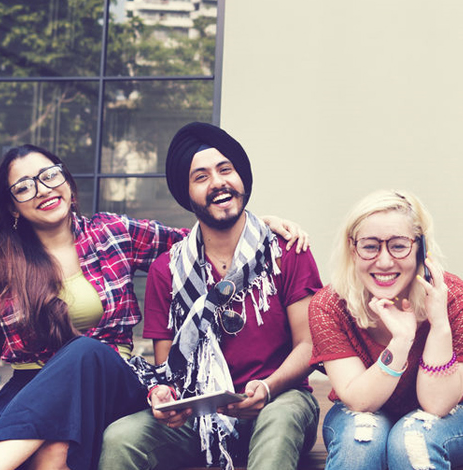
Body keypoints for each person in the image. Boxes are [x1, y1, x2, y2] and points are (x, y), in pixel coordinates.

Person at [0, 144, 305, 470]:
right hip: (29, 392)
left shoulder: (112, 234)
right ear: (11, 206)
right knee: (53, 452)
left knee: (84, 351)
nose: (43, 190)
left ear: (67, 182)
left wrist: (257, 226)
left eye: (50, 175)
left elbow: (200, 239)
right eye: (25, 187)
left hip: (114, 379)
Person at [100, 122, 322, 470]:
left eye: (225, 170)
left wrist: (266, 387)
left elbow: (309, 346)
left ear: (242, 179)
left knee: (280, 419)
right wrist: (164, 396)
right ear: (187, 194)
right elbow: (169, 370)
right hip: (200, 416)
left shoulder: (286, 252)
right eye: (200, 177)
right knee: (121, 438)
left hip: (279, 400)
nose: (217, 182)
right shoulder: (167, 270)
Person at [309, 190, 463, 470]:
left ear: (421, 246)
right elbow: (359, 399)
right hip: (363, 409)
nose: (384, 262)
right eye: (370, 246)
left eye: (398, 245)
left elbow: (437, 404)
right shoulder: (329, 305)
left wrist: (439, 324)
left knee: (411, 441)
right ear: (352, 248)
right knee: (361, 444)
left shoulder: (458, 300)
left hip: (455, 413)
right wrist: (401, 341)